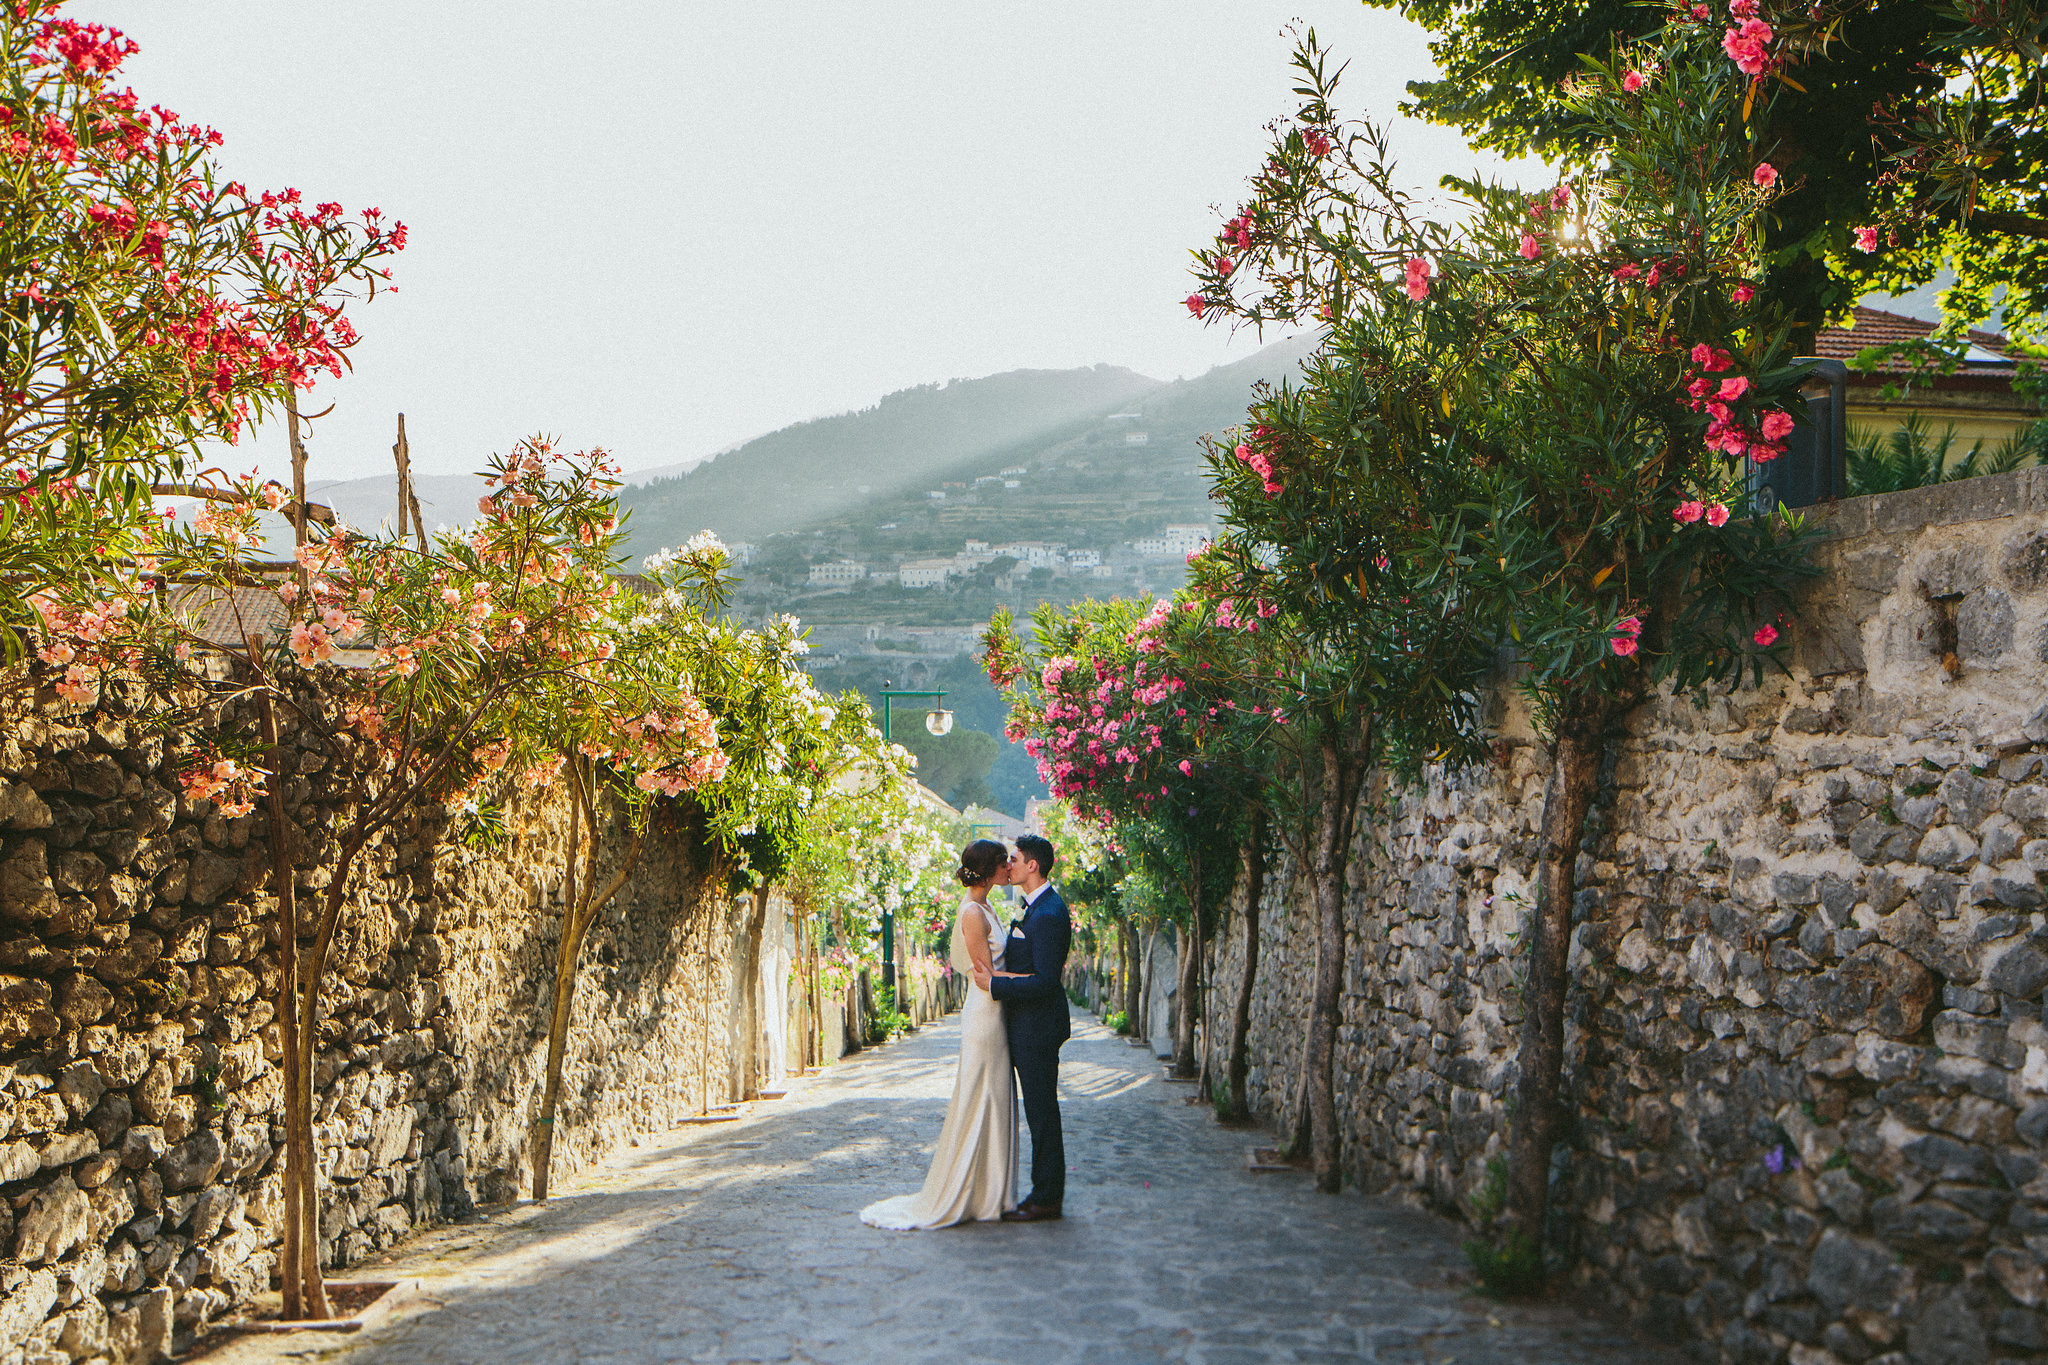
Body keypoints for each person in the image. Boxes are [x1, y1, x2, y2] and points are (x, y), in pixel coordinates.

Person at [859, 839, 1019, 1229]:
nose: (1009, 867)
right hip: (985, 1014)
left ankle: (991, 1192)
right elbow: (984, 977)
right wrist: (1032, 979)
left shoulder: (985, 905)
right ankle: (972, 1193)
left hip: (997, 1013)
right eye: (1003, 862)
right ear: (989, 869)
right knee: (980, 1098)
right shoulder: (971, 913)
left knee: (995, 1098)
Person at [977, 832, 1070, 1222]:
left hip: (1038, 1030)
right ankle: (1042, 1190)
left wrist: (996, 984)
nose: (1008, 865)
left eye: (1014, 858)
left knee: (1042, 1112)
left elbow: (1046, 981)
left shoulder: (1048, 914)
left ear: (1033, 865)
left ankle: (1047, 1196)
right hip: (1026, 1028)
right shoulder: (1035, 908)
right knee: (1038, 1111)